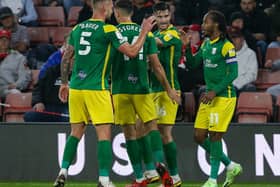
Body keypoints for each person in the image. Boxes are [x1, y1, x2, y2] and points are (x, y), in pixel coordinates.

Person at [53, 0, 156, 186]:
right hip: (96, 88)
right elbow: (132, 52)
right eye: (109, 5)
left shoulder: (77, 28)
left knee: (75, 132)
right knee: (104, 134)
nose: (111, 9)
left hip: (76, 88)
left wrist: (64, 83)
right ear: (103, 6)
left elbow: (66, 57)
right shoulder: (109, 30)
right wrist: (144, 32)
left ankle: (63, 171)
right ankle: (104, 179)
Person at [111, 1, 180, 186]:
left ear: (116, 13)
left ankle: (142, 175)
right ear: (132, 12)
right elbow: (156, 66)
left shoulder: (111, 32)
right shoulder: (147, 34)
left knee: (130, 133)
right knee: (151, 126)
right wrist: (169, 89)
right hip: (142, 88)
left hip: (120, 89)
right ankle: (159, 164)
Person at [180, 10, 242, 187]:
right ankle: (231, 165)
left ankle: (212, 180)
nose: (203, 25)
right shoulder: (206, 44)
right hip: (209, 96)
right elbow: (192, 65)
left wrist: (215, 91)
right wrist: (186, 47)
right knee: (199, 136)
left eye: (206, 22)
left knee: (215, 135)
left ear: (216, 25)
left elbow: (234, 73)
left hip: (224, 97)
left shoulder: (226, 46)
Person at [140, 2, 182, 187]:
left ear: (170, 16)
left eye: (166, 16)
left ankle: (173, 176)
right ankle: (155, 169)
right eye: (160, 16)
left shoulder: (172, 34)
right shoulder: (153, 34)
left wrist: (142, 31)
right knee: (141, 128)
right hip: (152, 90)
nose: (164, 20)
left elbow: (156, 43)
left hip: (169, 89)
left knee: (164, 134)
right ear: (154, 17)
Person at [24, 41, 69, 122]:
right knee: (30, 116)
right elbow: (38, 88)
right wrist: (38, 102)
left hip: (67, 108)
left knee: (68, 118)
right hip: (48, 107)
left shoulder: (78, 74)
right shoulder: (50, 71)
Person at [0, 29, 31, 98]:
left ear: (10, 42)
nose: (3, 42)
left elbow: (24, 76)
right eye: (1, 39)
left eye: (6, 39)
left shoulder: (19, 58)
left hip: (7, 89)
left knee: (15, 93)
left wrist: (16, 85)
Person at [228, 26, 258, 95]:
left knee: (250, 88)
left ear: (242, 38)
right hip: (227, 87)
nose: (233, 41)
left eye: (236, 38)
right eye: (232, 38)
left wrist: (236, 85)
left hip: (242, 86)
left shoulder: (250, 54)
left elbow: (252, 75)